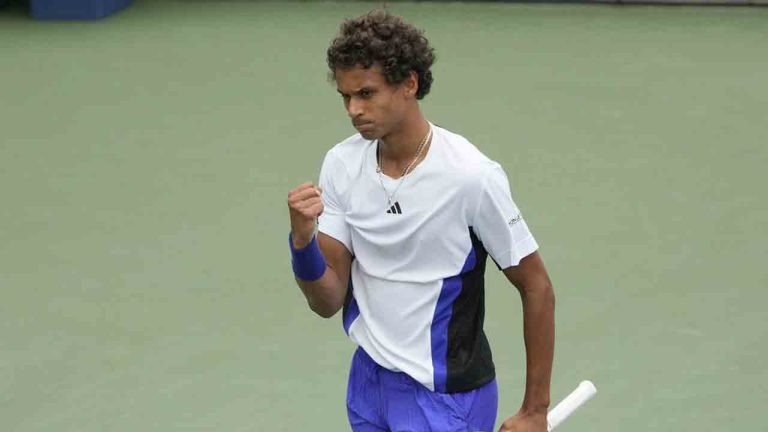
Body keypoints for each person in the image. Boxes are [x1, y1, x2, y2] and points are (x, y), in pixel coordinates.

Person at [287, 10, 555, 432]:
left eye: (366, 94)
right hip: (369, 384)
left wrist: (535, 411)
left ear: (409, 83)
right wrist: (302, 245)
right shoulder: (340, 164)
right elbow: (327, 301)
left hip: (444, 398)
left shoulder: (471, 176)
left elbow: (537, 285)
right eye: (345, 97)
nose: (353, 110)